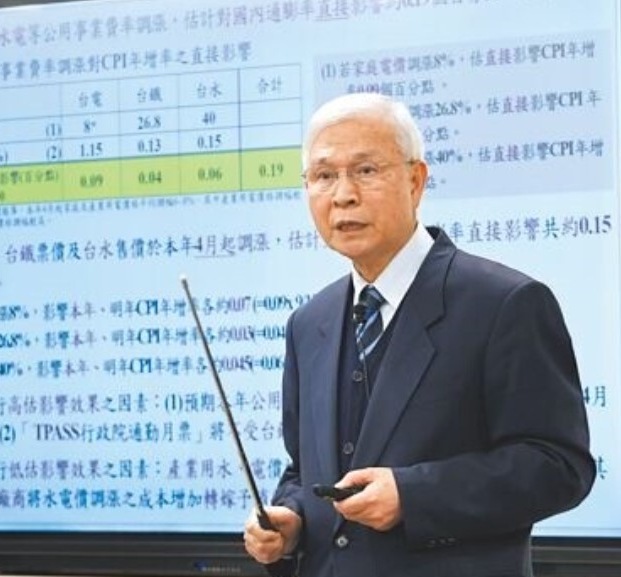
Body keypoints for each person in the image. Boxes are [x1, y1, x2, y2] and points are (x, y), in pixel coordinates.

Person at [243, 92, 596, 577]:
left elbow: (559, 466)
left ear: (416, 179)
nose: (343, 194)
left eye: (366, 170)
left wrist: (413, 495)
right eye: (323, 176)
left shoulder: (504, 303)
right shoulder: (309, 324)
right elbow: (305, 471)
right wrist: (292, 520)